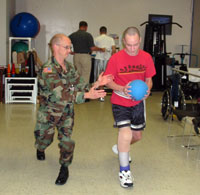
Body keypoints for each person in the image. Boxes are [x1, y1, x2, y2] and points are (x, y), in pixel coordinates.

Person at [34, 33, 112, 185]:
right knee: (44, 139)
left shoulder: (69, 67)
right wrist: (87, 95)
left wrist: (96, 84)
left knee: (67, 141)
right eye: (67, 47)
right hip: (49, 112)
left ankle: (64, 168)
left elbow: (80, 85)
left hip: (66, 113)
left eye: (70, 47)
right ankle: (40, 147)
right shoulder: (47, 69)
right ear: (56, 47)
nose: (70, 50)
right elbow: (61, 94)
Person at [104, 27, 156, 188]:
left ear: (139, 41)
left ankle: (120, 148)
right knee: (125, 134)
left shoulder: (146, 57)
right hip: (120, 102)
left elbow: (149, 79)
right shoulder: (115, 59)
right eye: (129, 45)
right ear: (124, 42)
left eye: (135, 45)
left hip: (138, 103)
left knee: (137, 136)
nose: (132, 49)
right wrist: (121, 88)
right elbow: (107, 81)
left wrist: (147, 90)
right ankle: (124, 171)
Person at [94, 26, 116, 101]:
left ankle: (101, 96)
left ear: (100, 32)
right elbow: (113, 49)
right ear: (106, 32)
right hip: (108, 60)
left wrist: (100, 49)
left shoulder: (96, 38)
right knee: (109, 77)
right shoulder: (110, 39)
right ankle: (114, 94)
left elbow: (93, 48)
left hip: (99, 59)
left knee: (99, 77)